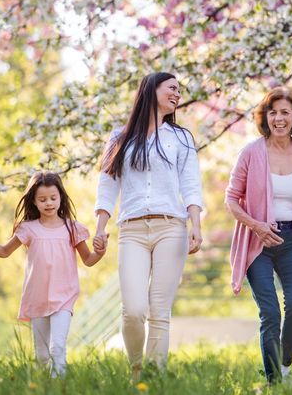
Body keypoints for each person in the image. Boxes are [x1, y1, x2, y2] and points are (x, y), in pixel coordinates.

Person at [92, 72, 203, 379]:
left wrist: (196, 225)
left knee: (159, 311)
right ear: (151, 90)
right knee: (133, 310)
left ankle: (153, 376)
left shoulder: (181, 138)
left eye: (179, 90)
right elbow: (107, 184)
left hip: (172, 228)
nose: (178, 94)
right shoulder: (119, 137)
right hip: (132, 230)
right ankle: (136, 368)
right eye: (172, 88)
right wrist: (100, 227)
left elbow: (191, 184)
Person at [225, 86, 292, 384]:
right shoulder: (251, 153)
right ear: (264, 117)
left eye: (284, 113)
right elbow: (230, 199)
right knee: (269, 312)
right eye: (272, 113)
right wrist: (256, 225)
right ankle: (273, 383)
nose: (278, 119)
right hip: (258, 241)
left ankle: (284, 365)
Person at [0, 171, 105, 376]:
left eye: (53, 198)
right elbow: (3, 251)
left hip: (64, 297)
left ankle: (60, 385)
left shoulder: (72, 228)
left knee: (57, 348)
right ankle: (42, 385)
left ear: (61, 198)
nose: (49, 203)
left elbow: (89, 260)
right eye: (43, 199)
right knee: (42, 355)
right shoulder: (28, 228)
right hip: (37, 298)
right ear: (34, 202)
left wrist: (100, 252)